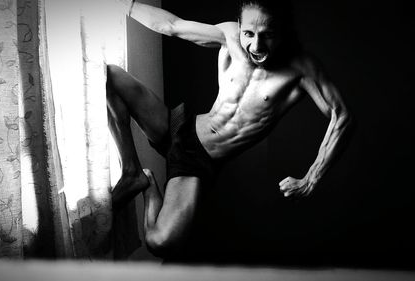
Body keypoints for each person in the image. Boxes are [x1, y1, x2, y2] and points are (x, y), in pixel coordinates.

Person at [107, 0, 352, 258]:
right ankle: (132, 171)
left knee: (159, 243)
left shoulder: (301, 69)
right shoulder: (228, 35)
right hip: (179, 125)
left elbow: (342, 115)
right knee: (110, 76)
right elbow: (172, 25)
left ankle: (147, 184)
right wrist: (125, 4)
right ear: (240, 27)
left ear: (284, 32)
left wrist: (310, 179)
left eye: (268, 35)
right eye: (249, 34)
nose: (256, 46)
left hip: (197, 161)